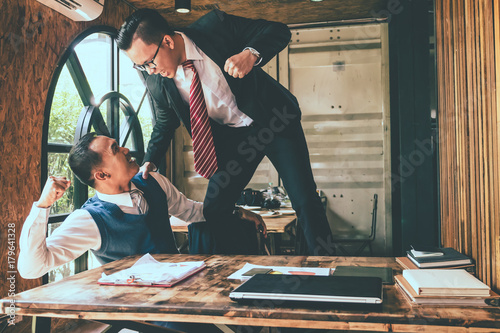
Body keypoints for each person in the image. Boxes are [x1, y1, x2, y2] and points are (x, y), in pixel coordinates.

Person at [117, 9, 334, 255]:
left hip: (275, 122)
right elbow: (165, 121)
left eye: (149, 62)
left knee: (305, 200)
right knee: (214, 208)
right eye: (141, 67)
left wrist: (250, 54)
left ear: (166, 41)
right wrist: (150, 160)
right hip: (236, 140)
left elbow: (278, 31)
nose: (150, 70)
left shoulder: (214, 27)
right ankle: (236, 268)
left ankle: (326, 267)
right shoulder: (157, 82)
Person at [18, 133, 266, 280]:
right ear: (102, 175)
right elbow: (32, 268)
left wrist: (236, 212)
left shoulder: (153, 181)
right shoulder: (88, 219)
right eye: (116, 150)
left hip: (184, 289)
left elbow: (191, 211)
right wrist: (43, 206)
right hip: (138, 309)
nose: (126, 149)